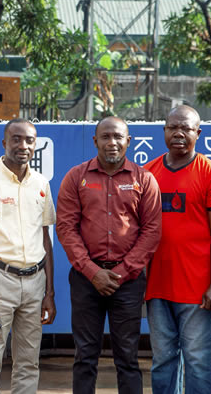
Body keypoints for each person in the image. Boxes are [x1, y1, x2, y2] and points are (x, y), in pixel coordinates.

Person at [56, 116, 161, 394]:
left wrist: (122, 273)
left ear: (128, 141)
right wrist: (92, 272)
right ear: (95, 141)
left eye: (118, 137)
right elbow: (66, 228)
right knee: (85, 355)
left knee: (127, 357)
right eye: (105, 137)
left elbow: (151, 231)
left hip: (127, 282)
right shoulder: (76, 177)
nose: (111, 142)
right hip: (85, 281)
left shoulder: (144, 179)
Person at [143, 106, 211, 394]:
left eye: (186, 128)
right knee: (162, 360)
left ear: (198, 133)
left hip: (197, 289)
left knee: (198, 361)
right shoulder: (148, 174)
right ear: (164, 131)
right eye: (172, 128)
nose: (179, 133)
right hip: (157, 286)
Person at [0, 118, 56, 394]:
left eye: (29, 140)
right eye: (16, 139)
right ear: (5, 143)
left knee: (28, 362)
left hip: (34, 282)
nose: (23, 145)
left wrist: (49, 292)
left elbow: (45, 239)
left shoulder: (41, 183)